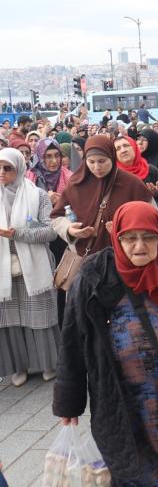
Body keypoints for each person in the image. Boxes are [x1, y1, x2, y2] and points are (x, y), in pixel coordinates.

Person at [53, 201, 158, 485]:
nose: (139, 246)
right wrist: (69, 402)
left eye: (148, 237)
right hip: (128, 407)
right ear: (116, 237)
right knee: (143, 475)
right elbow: (72, 342)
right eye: (129, 238)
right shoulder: (94, 280)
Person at [0, 148, 60, 386]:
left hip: (34, 266)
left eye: (7, 168)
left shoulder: (37, 195)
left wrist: (18, 234)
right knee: (11, 319)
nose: (2, 172)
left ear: (19, 168)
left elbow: (50, 231)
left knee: (39, 316)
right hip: (4, 270)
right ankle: (19, 366)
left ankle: (48, 363)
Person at [50, 135, 153, 257]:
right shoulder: (76, 183)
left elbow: (152, 217)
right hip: (85, 257)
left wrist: (126, 231)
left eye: (102, 161)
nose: (97, 167)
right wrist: (69, 230)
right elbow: (57, 217)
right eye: (91, 162)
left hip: (124, 256)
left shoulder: (132, 183)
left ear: (112, 157)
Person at [25, 138, 72, 204]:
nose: (54, 161)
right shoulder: (28, 179)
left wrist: (62, 202)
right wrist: (46, 201)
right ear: (40, 158)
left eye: (57, 155)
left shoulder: (70, 178)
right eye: (48, 156)